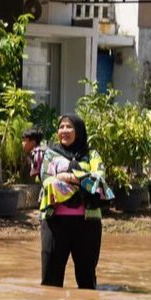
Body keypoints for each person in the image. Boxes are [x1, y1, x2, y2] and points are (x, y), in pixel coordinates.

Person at [39, 114, 114, 290]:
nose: (64, 131)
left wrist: (70, 177)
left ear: (79, 130)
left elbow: (99, 179)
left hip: (87, 224)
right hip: (54, 221)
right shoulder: (50, 154)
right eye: (61, 127)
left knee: (87, 279)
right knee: (50, 280)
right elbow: (47, 180)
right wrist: (83, 183)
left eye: (69, 127)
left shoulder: (92, 154)